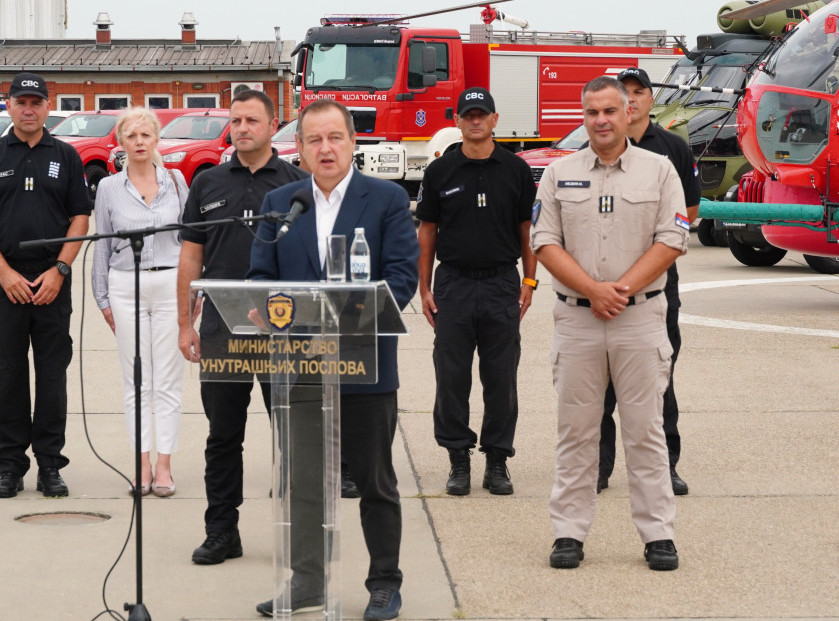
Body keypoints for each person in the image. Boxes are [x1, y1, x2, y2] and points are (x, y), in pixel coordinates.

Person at [249, 99, 418, 620]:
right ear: (298, 149)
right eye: (314, 140)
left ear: (352, 142)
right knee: (302, 481)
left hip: (363, 365)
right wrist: (266, 311)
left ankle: (384, 583)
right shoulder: (281, 201)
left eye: (335, 138)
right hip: (299, 368)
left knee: (374, 480)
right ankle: (306, 584)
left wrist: (341, 319)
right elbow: (259, 279)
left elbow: (402, 278)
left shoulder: (387, 199)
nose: (325, 148)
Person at [531, 77, 689, 571]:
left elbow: (673, 238)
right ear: (584, 115)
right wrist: (592, 290)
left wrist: (616, 291)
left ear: (628, 113)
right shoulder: (558, 173)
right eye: (592, 111)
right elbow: (544, 242)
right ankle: (569, 533)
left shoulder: (660, 171)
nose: (601, 120)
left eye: (610, 111)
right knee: (575, 431)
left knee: (646, 431)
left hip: (639, 319)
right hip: (577, 322)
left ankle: (658, 535)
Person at [177, 90, 309, 563]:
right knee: (223, 435)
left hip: (283, 328)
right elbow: (191, 256)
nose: (242, 128)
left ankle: (299, 537)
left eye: (252, 120)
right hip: (221, 327)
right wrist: (184, 323)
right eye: (235, 120)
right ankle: (221, 532)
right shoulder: (208, 182)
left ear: (274, 125)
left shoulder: (298, 183)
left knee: (293, 435)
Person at [415, 87, 537, 497]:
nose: (475, 120)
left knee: (501, 379)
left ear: (495, 120)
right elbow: (426, 232)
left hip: (502, 283)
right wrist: (425, 285)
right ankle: (458, 460)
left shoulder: (516, 170)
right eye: (468, 114)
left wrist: (529, 281)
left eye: (482, 114)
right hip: (454, 284)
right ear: (459, 121)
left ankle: (498, 461)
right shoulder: (439, 173)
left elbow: (527, 231)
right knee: (451, 377)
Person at [597, 67, 701, 496]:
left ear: (649, 99)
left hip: (657, 287)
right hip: (600, 287)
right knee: (598, 384)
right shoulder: (598, 146)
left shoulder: (673, 149)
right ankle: (598, 469)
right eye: (626, 92)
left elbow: (689, 215)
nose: (633, 99)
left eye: (640, 92)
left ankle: (665, 465)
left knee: (660, 378)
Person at [0, 72, 90, 498]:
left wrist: (60, 270)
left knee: (52, 377)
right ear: (10, 104)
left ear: (47, 106)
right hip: (6, 281)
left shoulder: (67, 156)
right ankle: (9, 464)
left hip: (53, 280)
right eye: (22, 101)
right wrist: (3, 273)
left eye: (37, 101)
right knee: (7, 375)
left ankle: (50, 465)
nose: (29, 109)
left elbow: (80, 216)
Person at [92, 107, 188, 497]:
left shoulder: (178, 182)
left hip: (169, 284)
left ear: (156, 139)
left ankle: (164, 465)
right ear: (120, 141)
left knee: (167, 380)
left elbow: (189, 242)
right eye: (131, 136)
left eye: (145, 135)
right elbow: (101, 245)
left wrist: (192, 294)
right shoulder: (109, 189)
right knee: (136, 381)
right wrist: (102, 298)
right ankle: (141, 464)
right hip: (125, 284)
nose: (139, 142)